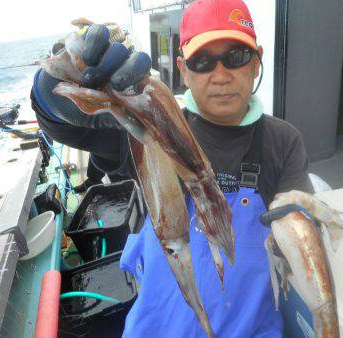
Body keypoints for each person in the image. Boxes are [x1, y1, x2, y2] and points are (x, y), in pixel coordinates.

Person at [119, 0, 314, 337]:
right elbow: (76, 127)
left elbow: (301, 235)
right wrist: (58, 92)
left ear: (256, 63)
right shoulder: (151, 131)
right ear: (183, 69)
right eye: (203, 61)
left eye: (236, 57)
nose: (221, 75)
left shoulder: (283, 141)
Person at [31, 23, 138, 190]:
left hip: (108, 142)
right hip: (101, 140)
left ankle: (104, 182)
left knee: (104, 149)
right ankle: (103, 182)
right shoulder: (56, 94)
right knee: (108, 153)